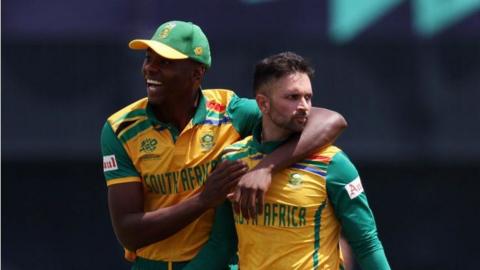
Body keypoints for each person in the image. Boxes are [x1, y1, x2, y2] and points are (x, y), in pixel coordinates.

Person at [101, 21, 346, 269]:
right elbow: (128, 232)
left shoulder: (230, 112)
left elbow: (331, 120)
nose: (150, 69)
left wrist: (266, 168)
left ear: (197, 73)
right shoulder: (121, 128)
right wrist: (203, 200)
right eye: (148, 59)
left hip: (219, 262)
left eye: (164, 62)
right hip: (150, 264)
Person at [221, 52, 390, 269]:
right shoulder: (233, 159)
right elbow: (223, 243)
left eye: (308, 97)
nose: (304, 106)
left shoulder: (334, 164)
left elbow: (366, 243)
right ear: (263, 104)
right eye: (292, 97)